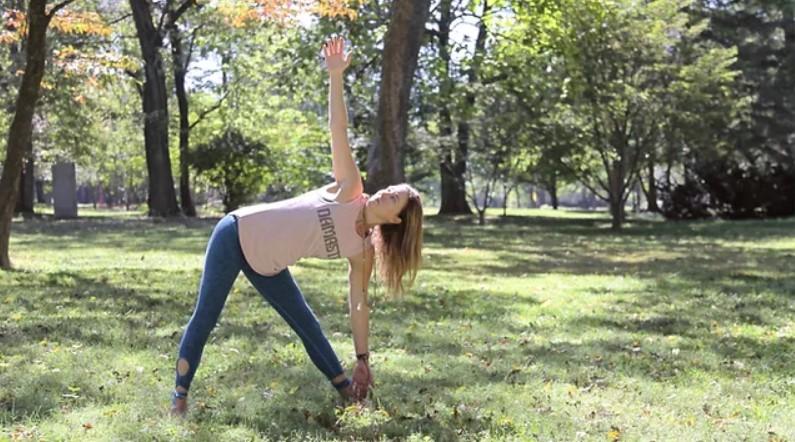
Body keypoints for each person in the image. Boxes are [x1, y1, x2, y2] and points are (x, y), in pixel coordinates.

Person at [170, 36, 424, 416]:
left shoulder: (362, 252)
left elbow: (359, 303)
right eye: (388, 189)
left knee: (307, 324)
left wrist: (363, 357)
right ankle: (179, 399)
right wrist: (335, 76)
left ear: (394, 220)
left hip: (268, 265)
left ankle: (349, 392)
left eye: (392, 198)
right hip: (236, 233)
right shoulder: (349, 188)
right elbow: (338, 129)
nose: (383, 193)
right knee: (206, 315)